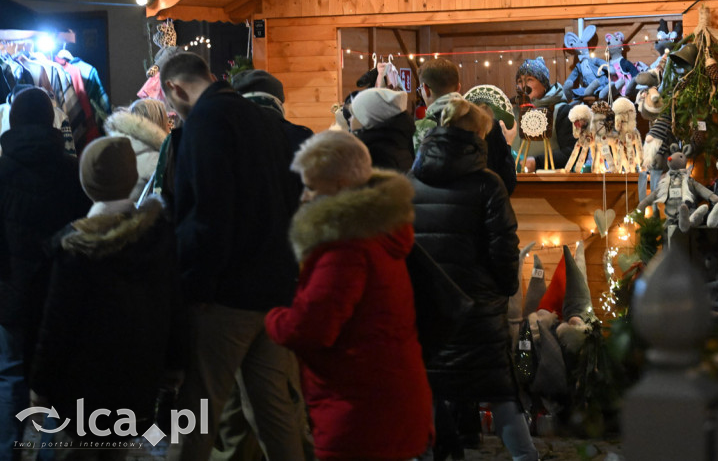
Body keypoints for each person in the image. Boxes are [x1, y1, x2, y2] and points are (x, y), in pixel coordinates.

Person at [160, 52, 306, 461]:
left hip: (226, 295)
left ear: (174, 88)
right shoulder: (263, 120)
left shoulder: (205, 122)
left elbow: (207, 212)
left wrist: (196, 287)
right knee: (273, 409)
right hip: (275, 287)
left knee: (197, 409)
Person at [265, 131, 432, 461]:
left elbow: (311, 327)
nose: (304, 197)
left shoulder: (346, 248)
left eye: (312, 187)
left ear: (339, 185)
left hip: (359, 411)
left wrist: (274, 318)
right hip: (387, 398)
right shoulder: (380, 231)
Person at [29, 137, 185, 459]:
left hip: (80, 392)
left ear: (87, 183)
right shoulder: (158, 236)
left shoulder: (76, 246)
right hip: (137, 384)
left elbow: (56, 326)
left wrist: (40, 386)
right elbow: (172, 306)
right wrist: (172, 366)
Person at [409, 99, 538, 461]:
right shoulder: (488, 184)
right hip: (478, 307)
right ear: (477, 135)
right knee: (500, 391)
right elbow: (503, 249)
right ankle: (525, 456)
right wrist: (504, 289)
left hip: (428, 306)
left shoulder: (410, 180)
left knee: (428, 387)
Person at [0, 88, 92, 460]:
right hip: (60, 292)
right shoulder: (72, 171)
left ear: (12, 122)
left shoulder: (2, 172)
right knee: (58, 378)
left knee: (10, 377)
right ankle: (51, 454)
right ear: (50, 121)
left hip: (10, 293)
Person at [413, 58, 516, 195]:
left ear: (425, 89)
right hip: (479, 206)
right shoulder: (488, 125)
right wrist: (507, 144)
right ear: (458, 87)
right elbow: (507, 183)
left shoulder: (417, 130)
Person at [512, 57, 574, 172]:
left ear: (544, 84)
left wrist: (538, 162)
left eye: (529, 79)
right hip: (516, 179)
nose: (524, 85)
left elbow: (572, 152)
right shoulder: (513, 112)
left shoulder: (561, 112)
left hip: (550, 180)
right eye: (520, 81)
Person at [102, 98, 170, 202]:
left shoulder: (115, 148)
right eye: (167, 120)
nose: (170, 125)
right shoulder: (156, 161)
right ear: (158, 123)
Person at [350, 87, 415, 171]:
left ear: (366, 120)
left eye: (353, 115)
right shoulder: (395, 144)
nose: (350, 119)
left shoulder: (376, 157)